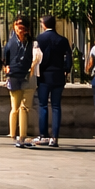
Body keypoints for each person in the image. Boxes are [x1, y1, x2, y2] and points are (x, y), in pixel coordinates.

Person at [34, 15, 71, 147]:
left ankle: (43, 135)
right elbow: (68, 57)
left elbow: (37, 58)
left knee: (43, 105)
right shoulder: (62, 40)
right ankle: (54, 137)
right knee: (56, 106)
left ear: (44, 24)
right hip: (58, 75)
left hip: (44, 76)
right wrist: (66, 69)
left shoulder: (39, 39)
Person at [2, 15, 37, 148]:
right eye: (17, 27)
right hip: (14, 76)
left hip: (27, 75)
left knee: (25, 107)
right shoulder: (11, 42)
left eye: (22, 27)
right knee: (15, 106)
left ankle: (22, 135)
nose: (19, 30)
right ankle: (12, 134)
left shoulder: (32, 43)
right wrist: (6, 67)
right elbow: (5, 57)